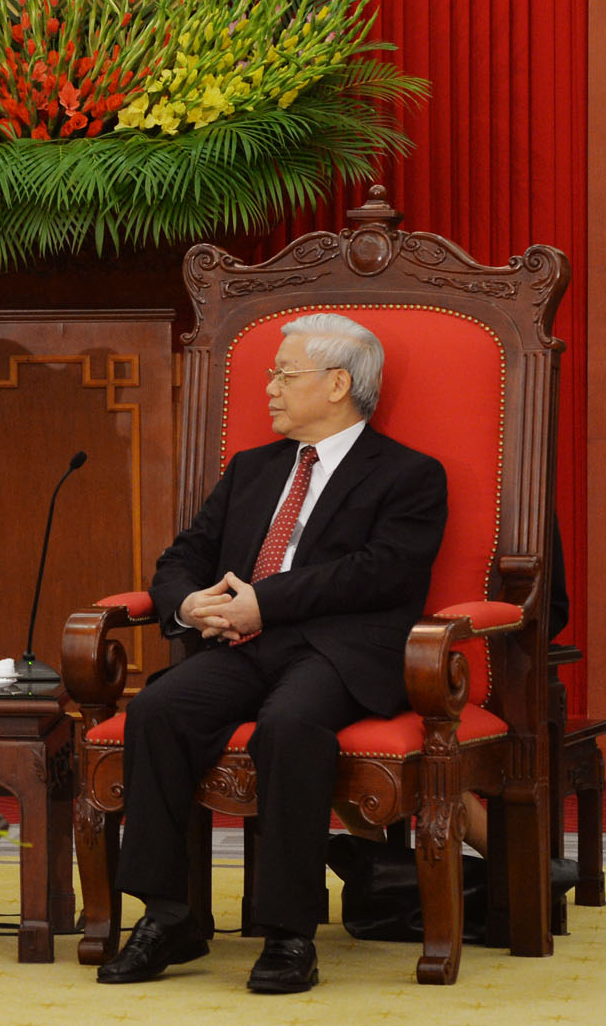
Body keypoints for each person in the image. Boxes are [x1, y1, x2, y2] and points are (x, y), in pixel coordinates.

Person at [100, 313, 446, 994]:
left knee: (291, 725)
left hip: (337, 652)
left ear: (338, 383)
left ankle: (288, 933)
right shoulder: (253, 468)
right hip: (241, 643)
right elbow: (185, 556)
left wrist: (269, 599)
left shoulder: (408, 474)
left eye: (285, 374)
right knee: (160, 709)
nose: (270, 387)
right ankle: (170, 916)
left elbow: (383, 571)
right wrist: (186, 604)